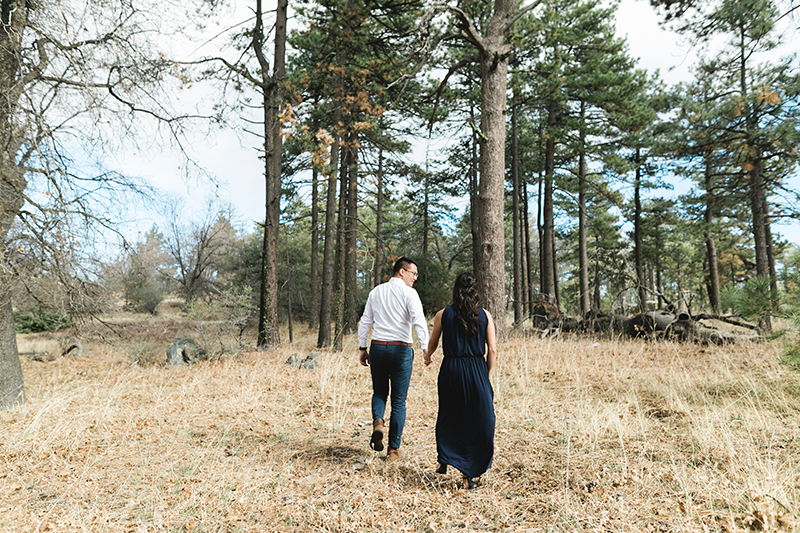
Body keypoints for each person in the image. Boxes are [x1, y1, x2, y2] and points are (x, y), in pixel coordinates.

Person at [424, 272, 497, 489]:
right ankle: (468, 474)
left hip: (451, 369)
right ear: (476, 291)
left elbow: (433, 342)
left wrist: (428, 357)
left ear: (455, 290)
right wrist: (487, 373)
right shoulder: (485, 315)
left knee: (449, 414)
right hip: (476, 368)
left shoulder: (442, 314)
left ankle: (445, 459)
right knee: (481, 418)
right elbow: (492, 349)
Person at [358, 257, 429, 461]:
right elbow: (419, 322)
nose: (415, 278)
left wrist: (363, 347)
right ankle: (393, 450)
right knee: (399, 401)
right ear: (401, 272)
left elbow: (365, 322)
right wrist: (425, 349)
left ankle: (378, 423)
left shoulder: (376, 292)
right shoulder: (409, 293)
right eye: (413, 273)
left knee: (379, 391)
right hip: (401, 350)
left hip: (378, 348)